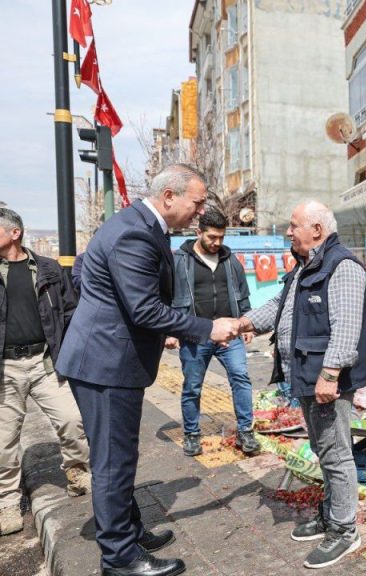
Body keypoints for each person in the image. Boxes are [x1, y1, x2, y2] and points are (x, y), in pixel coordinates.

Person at [57, 164, 240, 576]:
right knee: (112, 462)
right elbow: (144, 308)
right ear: (169, 196)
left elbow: (85, 271)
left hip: (106, 357)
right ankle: (119, 558)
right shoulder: (135, 232)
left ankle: (130, 529)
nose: (199, 212)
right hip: (105, 364)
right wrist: (207, 328)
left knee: (121, 455)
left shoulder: (137, 224)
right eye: (196, 203)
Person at [238, 200, 366, 570]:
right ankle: (331, 515)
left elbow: (345, 327)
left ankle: (344, 529)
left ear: (316, 229)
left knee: (337, 452)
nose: (288, 232)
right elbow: (281, 306)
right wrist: (242, 324)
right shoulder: (305, 268)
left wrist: (330, 374)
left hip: (327, 379)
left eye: (294, 225)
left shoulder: (341, 266)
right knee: (322, 448)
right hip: (307, 377)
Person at [0, 207, 90, 536]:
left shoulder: (48, 269)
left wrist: (71, 352)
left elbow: (71, 311)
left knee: (72, 420)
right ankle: (7, 500)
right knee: (3, 440)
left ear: (14, 233)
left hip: (46, 362)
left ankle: (78, 474)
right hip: (5, 368)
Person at [164, 209, 258, 456]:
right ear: (199, 233)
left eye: (221, 237)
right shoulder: (180, 261)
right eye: (212, 237)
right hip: (195, 335)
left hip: (230, 332)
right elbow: (168, 297)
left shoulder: (230, 259)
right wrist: (170, 331)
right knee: (193, 386)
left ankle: (246, 431)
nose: (217, 243)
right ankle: (192, 434)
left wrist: (246, 324)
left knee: (241, 378)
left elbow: (242, 292)